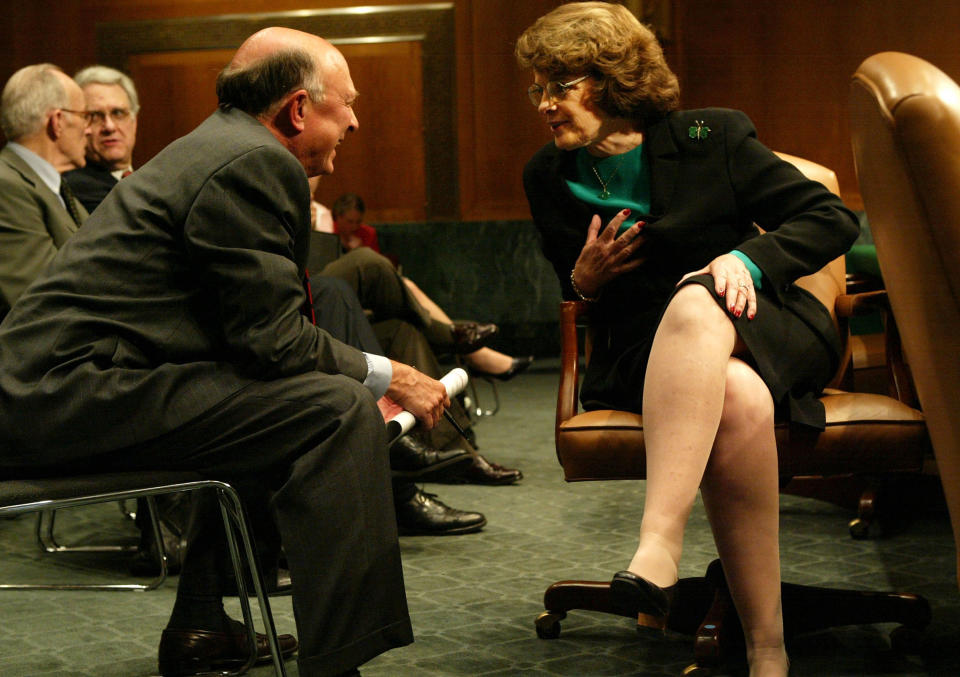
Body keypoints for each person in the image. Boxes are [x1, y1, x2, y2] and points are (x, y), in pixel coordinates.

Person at [0, 27, 452, 677]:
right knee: (332, 409)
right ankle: (342, 661)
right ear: (298, 109)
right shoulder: (252, 161)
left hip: (65, 388)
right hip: (62, 395)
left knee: (273, 406)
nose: (355, 121)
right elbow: (277, 341)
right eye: (345, 104)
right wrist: (393, 374)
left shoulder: (221, 146)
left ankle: (202, 623)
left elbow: (254, 343)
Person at [515, 5, 859, 676]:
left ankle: (658, 542)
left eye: (560, 84)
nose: (545, 105)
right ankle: (767, 644)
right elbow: (573, 284)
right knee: (736, 396)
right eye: (538, 89)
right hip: (649, 355)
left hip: (767, 323)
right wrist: (581, 281)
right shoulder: (546, 176)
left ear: (613, 78)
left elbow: (830, 219)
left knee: (700, 297)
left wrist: (749, 259)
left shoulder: (713, 136)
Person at [0, 63, 90, 308]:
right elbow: (37, 300)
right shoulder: (6, 186)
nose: (89, 129)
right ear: (58, 121)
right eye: (85, 116)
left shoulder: (53, 185)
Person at [63, 65, 139, 213]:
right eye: (95, 116)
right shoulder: (75, 188)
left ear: (134, 121)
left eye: (118, 113)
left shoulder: (145, 180)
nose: (109, 127)